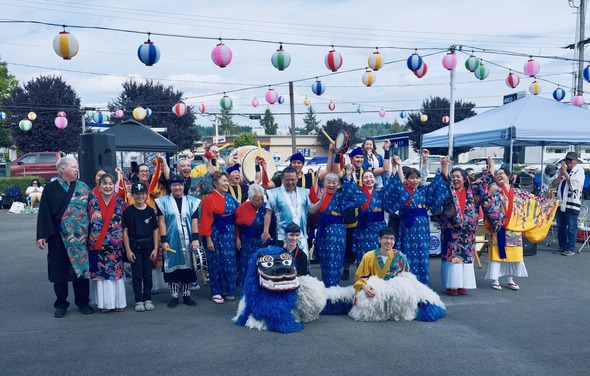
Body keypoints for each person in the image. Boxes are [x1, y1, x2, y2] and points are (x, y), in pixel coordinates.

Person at [36, 156, 94, 318]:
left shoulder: (84, 188)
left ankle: (83, 302)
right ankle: (61, 304)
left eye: (77, 167)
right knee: (59, 271)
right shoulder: (51, 188)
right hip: (58, 237)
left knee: (81, 271)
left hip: (80, 239)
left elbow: (93, 212)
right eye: (74, 167)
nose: (77, 169)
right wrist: (42, 235)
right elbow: (44, 213)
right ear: (63, 169)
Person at [439, 161, 504, 295]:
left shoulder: (473, 191)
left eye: (458, 176)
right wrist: (444, 166)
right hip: (451, 229)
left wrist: (491, 167)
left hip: (468, 230)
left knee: (466, 258)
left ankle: (462, 284)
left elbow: (488, 188)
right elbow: (443, 180)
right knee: (452, 257)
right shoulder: (447, 190)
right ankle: (451, 285)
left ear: (465, 178)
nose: (455, 179)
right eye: (453, 177)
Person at [385, 154, 451, 286]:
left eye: (417, 178)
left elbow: (437, 185)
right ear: (407, 180)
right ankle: (407, 283)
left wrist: (444, 166)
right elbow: (397, 184)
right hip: (408, 228)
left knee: (422, 254)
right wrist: (398, 166)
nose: (414, 180)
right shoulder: (403, 192)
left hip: (422, 229)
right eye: (411, 178)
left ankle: (422, 283)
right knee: (408, 254)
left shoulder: (423, 191)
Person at [155, 174, 200, 308]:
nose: (177, 187)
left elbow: (194, 221)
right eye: (174, 185)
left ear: (183, 186)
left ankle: (186, 295)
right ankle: (174, 296)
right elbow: (161, 222)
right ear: (170, 186)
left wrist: (196, 239)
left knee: (188, 268)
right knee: (172, 269)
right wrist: (163, 240)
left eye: (180, 184)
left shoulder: (193, 201)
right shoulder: (162, 201)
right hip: (171, 240)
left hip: (189, 240)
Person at [88, 173, 128, 312]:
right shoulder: (92, 202)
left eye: (111, 183)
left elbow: (127, 224)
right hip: (98, 246)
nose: (108, 186)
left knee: (115, 276)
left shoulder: (121, 203)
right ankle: (104, 304)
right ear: (99, 186)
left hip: (115, 246)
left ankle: (118, 302)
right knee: (101, 276)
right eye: (104, 184)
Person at [199, 171, 239, 304]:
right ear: (215, 183)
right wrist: (208, 239)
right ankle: (216, 291)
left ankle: (228, 290)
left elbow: (237, 214)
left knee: (229, 262)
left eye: (227, 181)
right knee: (216, 263)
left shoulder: (230, 197)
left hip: (229, 233)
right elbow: (205, 220)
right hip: (215, 233)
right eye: (223, 181)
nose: (227, 183)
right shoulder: (209, 199)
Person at [123, 182, 159, 312]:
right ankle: (138, 300)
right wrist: (127, 250)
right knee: (137, 275)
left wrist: (156, 248)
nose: (140, 196)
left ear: (146, 195)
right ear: (132, 195)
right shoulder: (128, 211)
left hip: (149, 247)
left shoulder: (150, 211)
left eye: (143, 193)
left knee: (147, 274)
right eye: (137, 194)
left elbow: (155, 230)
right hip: (135, 247)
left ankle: (148, 299)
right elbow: (125, 232)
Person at [262, 167, 313, 255]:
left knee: (302, 265)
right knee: (285, 264)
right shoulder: (274, 194)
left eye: (293, 180)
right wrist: (265, 231)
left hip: (301, 236)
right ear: (282, 179)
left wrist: (321, 201)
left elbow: (311, 210)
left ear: (297, 179)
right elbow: (268, 213)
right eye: (287, 180)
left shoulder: (305, 193)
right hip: (283, 236)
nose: (290, 183)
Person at [353, 227, 410, 295]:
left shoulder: (401, 257)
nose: (389, 241)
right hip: (374, 293)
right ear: (379, 239)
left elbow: (407, 278)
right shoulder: (368, 257)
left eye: (392, 238)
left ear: (394, 241)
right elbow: (359, 278)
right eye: (386, 238)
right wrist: (364, 286)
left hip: (394, 294)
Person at [552, 152, 586, 256]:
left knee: (571, 226)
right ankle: (562, 246)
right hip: (560, 201)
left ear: (575, 161)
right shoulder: (562, 170)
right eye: (567, 160)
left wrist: (565, 173)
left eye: (570, 160)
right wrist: (561, 173)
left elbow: (575, 185)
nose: (568, 162)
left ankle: (570, 248)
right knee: (561, 226)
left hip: (572, 202)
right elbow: (553, 184)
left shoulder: (579, 170)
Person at [234, 184, 266, 287]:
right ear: (251, 199)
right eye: (257, 200)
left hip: (262, 240)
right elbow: (237, 225)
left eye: (262, 199)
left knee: (262, 262)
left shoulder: (266, 207)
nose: (260, 202)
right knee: (247, 263)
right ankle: (245, 285)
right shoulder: (242, 207)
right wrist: (237, 238)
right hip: (247, 240)